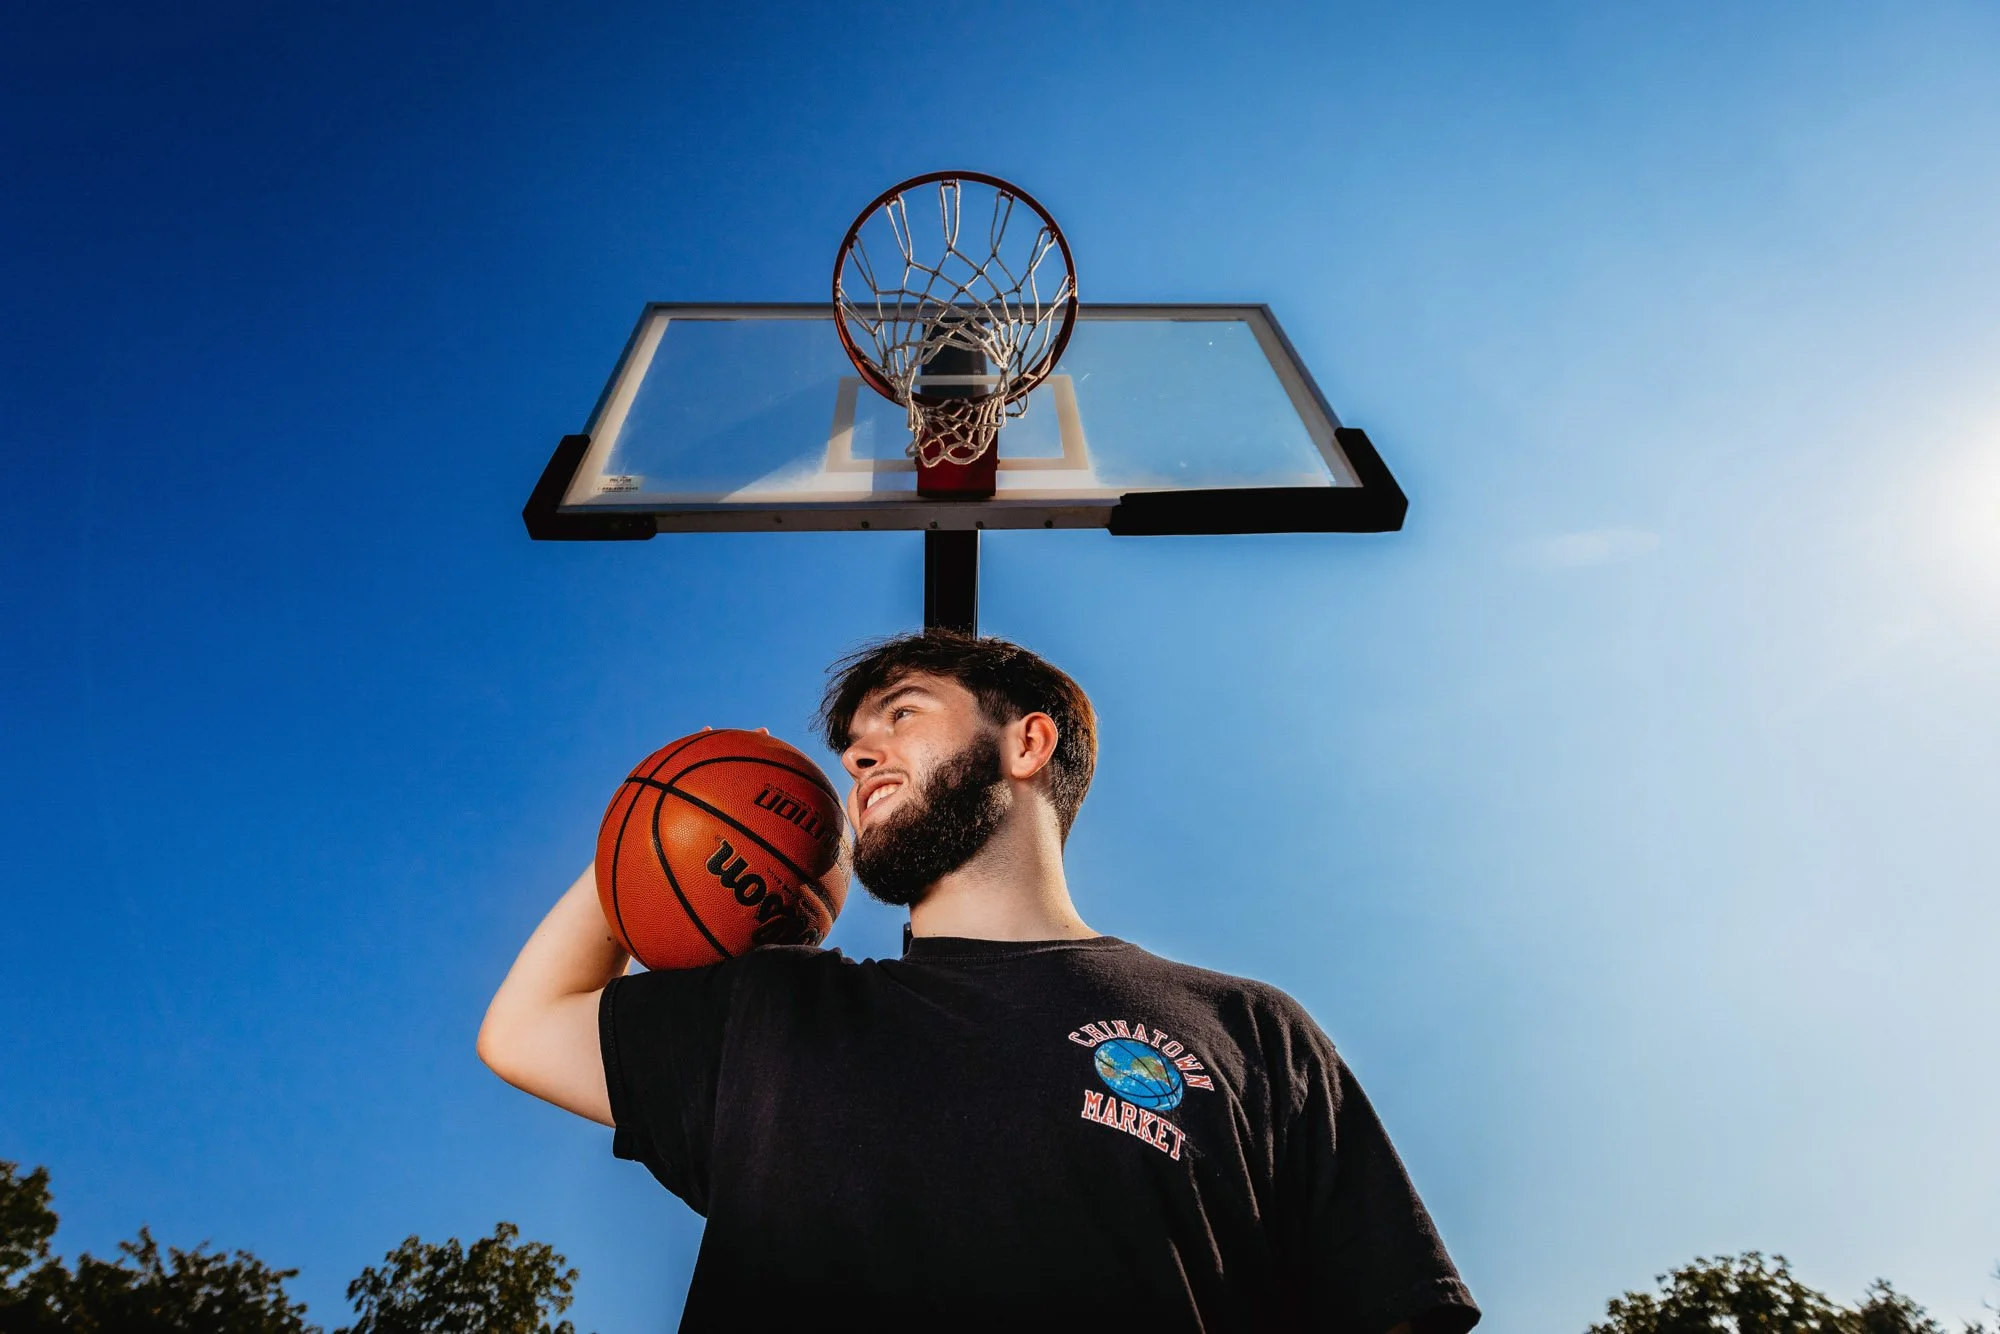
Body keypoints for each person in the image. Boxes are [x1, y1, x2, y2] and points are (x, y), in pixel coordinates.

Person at [478, 631, 1480, 1333]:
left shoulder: (1247, 1027)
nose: (859, 752)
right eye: (850, 744)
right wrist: (658, 809)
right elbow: (524, 1029)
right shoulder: (775, 1010)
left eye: (899, 714)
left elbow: (1388, 1308)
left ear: (1026, 741)